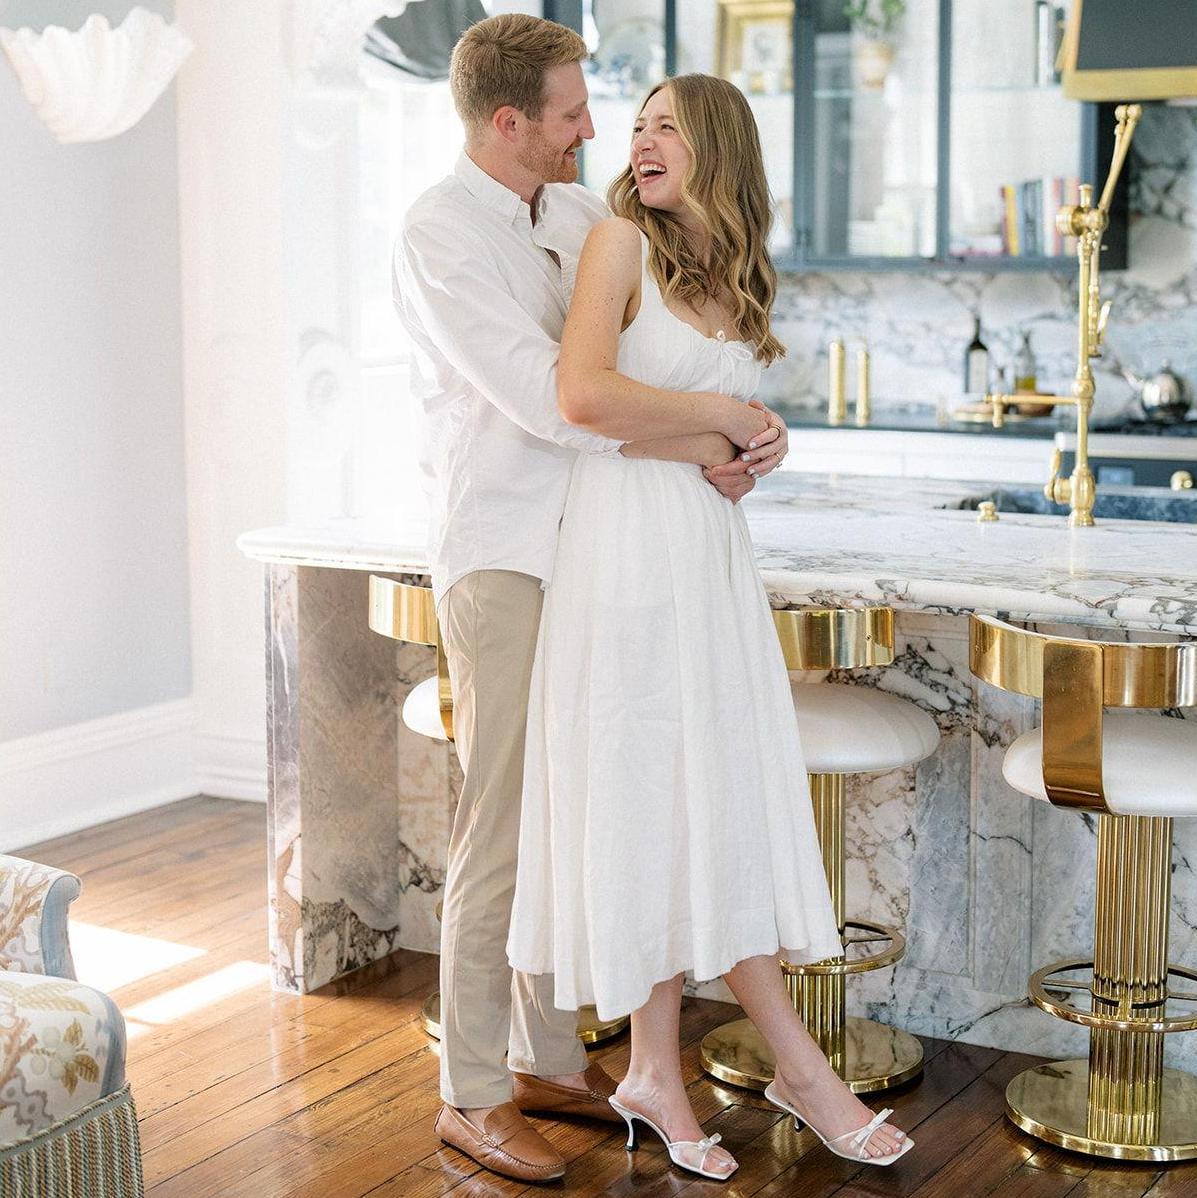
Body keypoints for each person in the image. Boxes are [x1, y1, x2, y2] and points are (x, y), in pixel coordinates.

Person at [392, 15, 790, 1184]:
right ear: (509, 120)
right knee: (502, 817)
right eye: (572, 112)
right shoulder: (438, 232)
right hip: (504, 549)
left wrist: (753, 431)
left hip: (590, 551)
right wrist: (722, 428)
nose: (591, 129)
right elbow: (557, 397)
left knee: (565, 805)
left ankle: (543, 1054)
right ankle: (470, 1090)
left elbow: (648, 355)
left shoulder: (574, 215)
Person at [505, 74, 914, 1181]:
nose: (640, 140)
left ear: (717, 148)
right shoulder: (617, 247)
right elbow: (582, 400)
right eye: (635, 125)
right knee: (655, 796)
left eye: (667, 127)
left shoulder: (732, 277)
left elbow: (691, 430)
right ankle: (797, 1070)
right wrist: (726, 422)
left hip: (708, 561)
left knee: (699, 804)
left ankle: (655, 1069)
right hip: (624, 562)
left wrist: (758, 448)